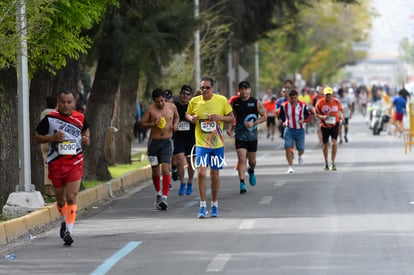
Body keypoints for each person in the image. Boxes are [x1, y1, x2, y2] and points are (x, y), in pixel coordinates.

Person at [35, 91, 90, 246]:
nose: (66, 105)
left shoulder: (80, 117)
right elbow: (37, 137)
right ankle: (64, 220)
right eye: (63, 102)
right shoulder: (50, 118)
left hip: (75, 161)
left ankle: (69, 231)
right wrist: (51, 138)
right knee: (61, 201)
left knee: (71, 197)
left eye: (69, 102)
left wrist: (87, 139)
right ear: (58, 102)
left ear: (74, 103)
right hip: (56, 163)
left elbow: (86, 130)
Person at [186, 77, 233, 218]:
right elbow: (187, 113)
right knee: (201, 173)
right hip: (201, 144)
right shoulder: (194, 101)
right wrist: (190, 119)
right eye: (202, 87)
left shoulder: (222, 100)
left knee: (214, 175)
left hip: (217, 144)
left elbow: (231, 118)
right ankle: (202, 206)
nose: (204, 90)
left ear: (213, 88)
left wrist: (219, 117)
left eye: (207, 87)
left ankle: (214, 204)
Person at [140, 88, 179, 210]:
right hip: (153, 144)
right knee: (156, 171)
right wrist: (153, 124)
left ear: (164, 99)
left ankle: (165, 198)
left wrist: (175, 125)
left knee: (166, 169)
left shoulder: (171, 107)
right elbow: (142, 124)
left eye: (162, 101)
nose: (161, 104)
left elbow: (177, 117)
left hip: (167, 142)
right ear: (153, 101)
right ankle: (158, 193)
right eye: (158, 102)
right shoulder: (150, 109)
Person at [232, 81, 266, 193]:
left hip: (252, 136)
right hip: (240, 135)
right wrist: (230, 127)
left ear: (250, 90)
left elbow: (264, 116)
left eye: (246, 88)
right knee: (242, 159)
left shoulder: (256, 103)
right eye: (241, 89)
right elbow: (231, 117)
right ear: (239, 91)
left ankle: (251, 171)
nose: (244, 91)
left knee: (252, 161)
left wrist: (255, 122)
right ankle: (242, 183)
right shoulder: (235, 103)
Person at [279, 89, 311, 173]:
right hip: (289, 129)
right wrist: (283, 121)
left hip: (300, 129)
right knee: (287, 147)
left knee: (301, 149)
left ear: (297, 97)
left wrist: (304, 120)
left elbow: (308, 115)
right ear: (288, 98)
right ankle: (290, 166)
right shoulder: (284, 106)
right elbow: (280, 115)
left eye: (295, 98)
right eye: (291, 98)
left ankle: (300, 156)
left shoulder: (302, 105)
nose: (293, 100)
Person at [174, 85, 196, 196]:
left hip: (191, 138)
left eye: (188, 94)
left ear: (190, 96)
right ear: (180, 94)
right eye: (183, 93)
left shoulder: (193, 106)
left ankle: (190, 183)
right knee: (179, 161)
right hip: (178, 137)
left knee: (191, 164)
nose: (185, 96)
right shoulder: (174, 106)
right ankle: (182, 182)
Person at [314, 87, 344, 171]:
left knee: (334, 143)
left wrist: (342, 117)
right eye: (326, 95)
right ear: (324, 95)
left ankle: (332, 162)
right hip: (324, 125)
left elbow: (340, 110)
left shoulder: (337, 101)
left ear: (332, 94)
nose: (328, 96)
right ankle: (326, 162)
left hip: (335, 124)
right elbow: (315, 114)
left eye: (329, 94)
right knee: (325, 145)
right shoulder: (320, 103)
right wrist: (323, 116)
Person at [40, 95, 57, 197]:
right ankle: (55, 189)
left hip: (44, 141)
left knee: (46, 165)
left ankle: (47, 190)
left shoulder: (43, 113)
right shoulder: (55, 114)